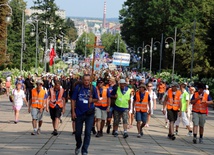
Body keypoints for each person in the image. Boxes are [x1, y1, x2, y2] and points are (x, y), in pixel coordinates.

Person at [71, 74, 99, 155]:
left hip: (89, 114)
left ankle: (84, 150)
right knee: (78, 133)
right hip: (79, 113)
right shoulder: (78, 88)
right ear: (83, 80)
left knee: (87, 132)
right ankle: (78, 145)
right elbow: (73, 100)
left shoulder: (93, 88)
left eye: (88, 80)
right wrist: (73, 112)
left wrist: (92, 100)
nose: (86, 82)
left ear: (90, 80)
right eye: (85, 80)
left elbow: (97, 99)